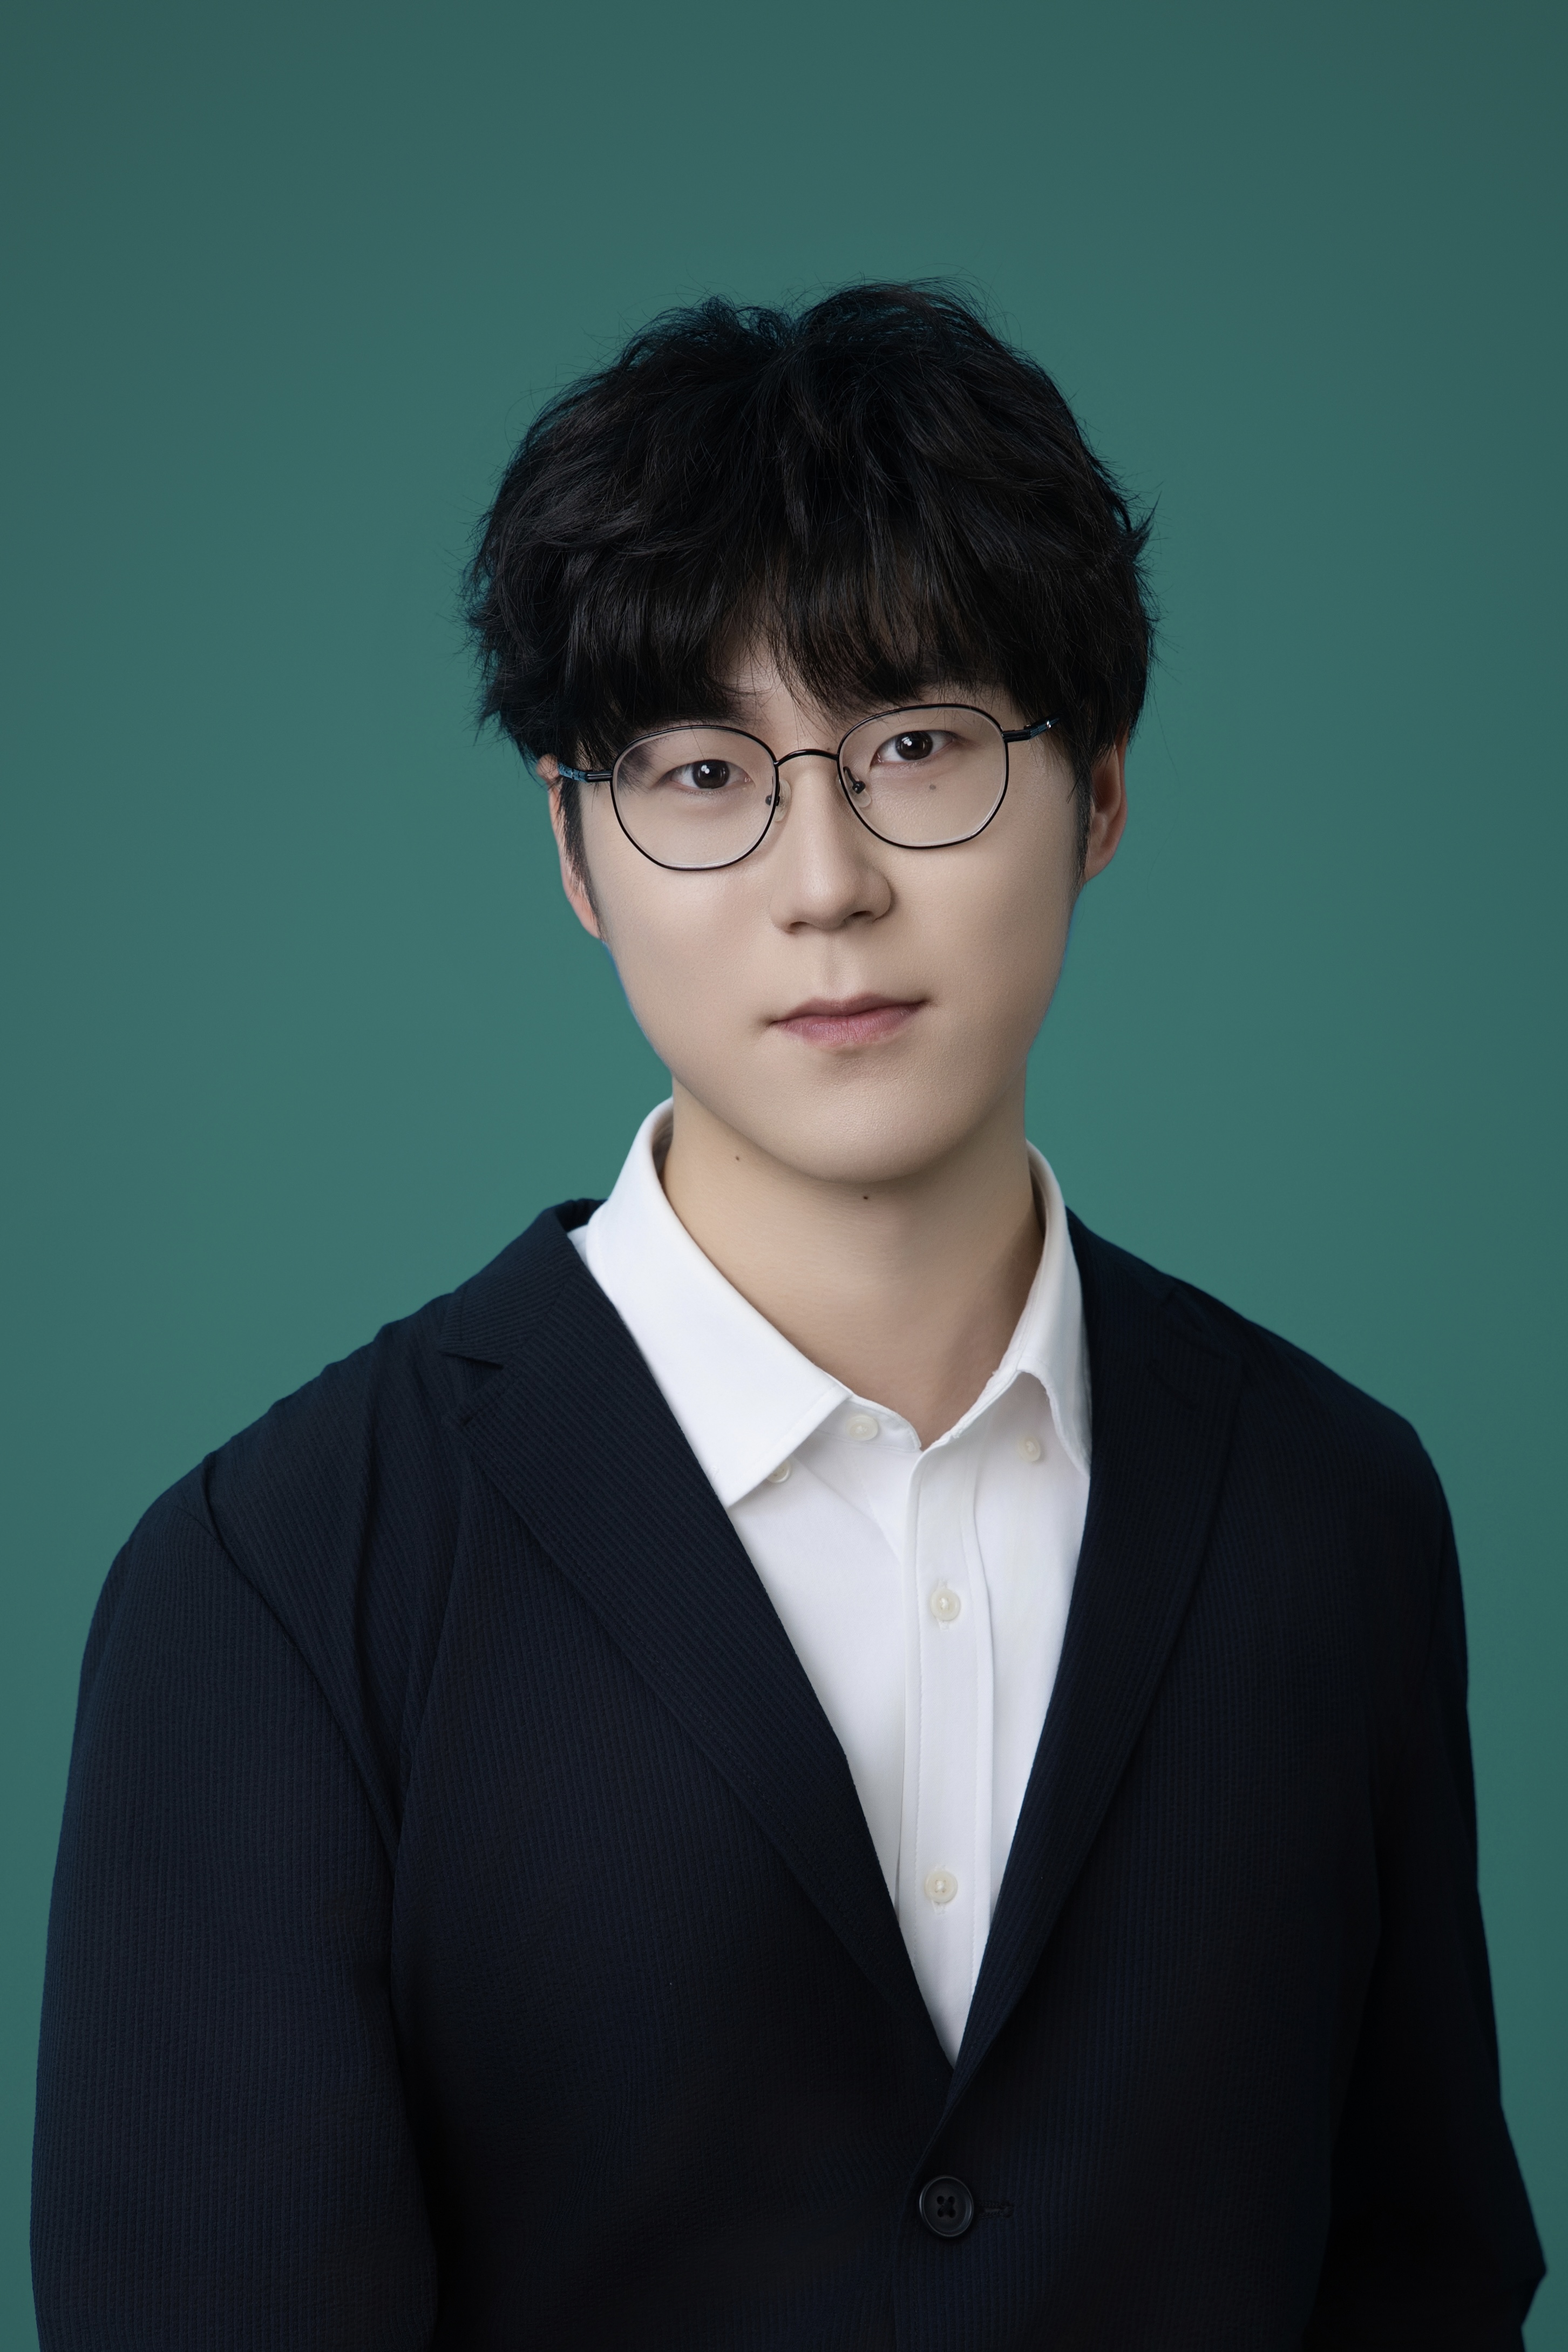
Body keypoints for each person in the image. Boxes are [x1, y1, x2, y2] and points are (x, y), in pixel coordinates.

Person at [32, 283, 1543, 2349]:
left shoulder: (1333, 1506)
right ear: (577, 852)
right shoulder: (281, 1581)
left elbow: (1423, 2277)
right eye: (699, 772)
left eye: (916, 745)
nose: (821, 879)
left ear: (1099, 790)